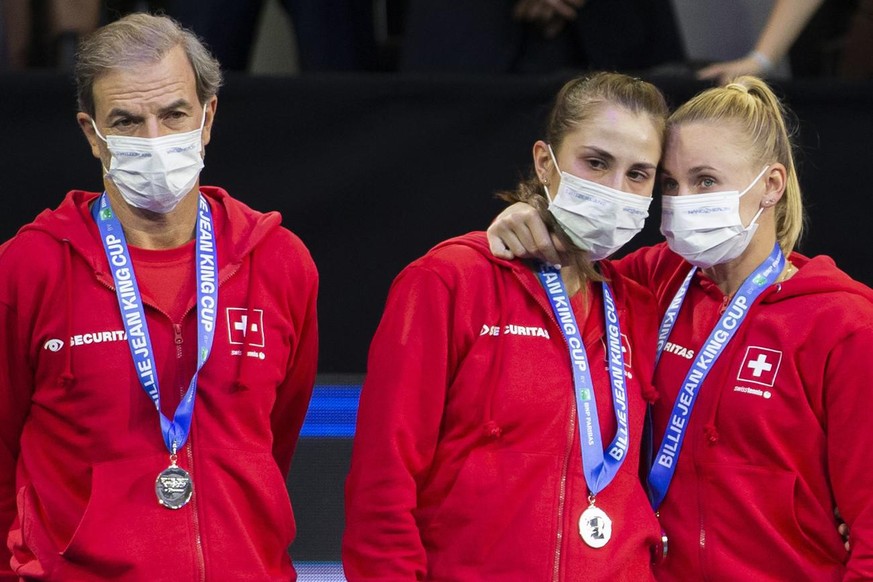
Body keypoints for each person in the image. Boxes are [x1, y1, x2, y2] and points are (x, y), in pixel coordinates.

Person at [487, 76, 873, 578]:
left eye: (706, 181)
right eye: (670, 183)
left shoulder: (846, 326)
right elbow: (563, 273)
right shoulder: (654, 279)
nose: (682, 198)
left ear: (771, 186)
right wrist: (526, 216)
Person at [0, 13, 318, 580]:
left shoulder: (279, 261)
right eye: (126, 120)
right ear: (92, 135)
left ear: (208, 117)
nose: (154, 139)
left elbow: (275, 440)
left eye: (174, 114)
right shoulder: (29, 268)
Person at [343, 72, 669, 580]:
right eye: (597, 162)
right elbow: (383, 483)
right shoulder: (450, 281)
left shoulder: (642, 304)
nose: (614, 190)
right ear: (546, 161)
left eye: (638, 174)